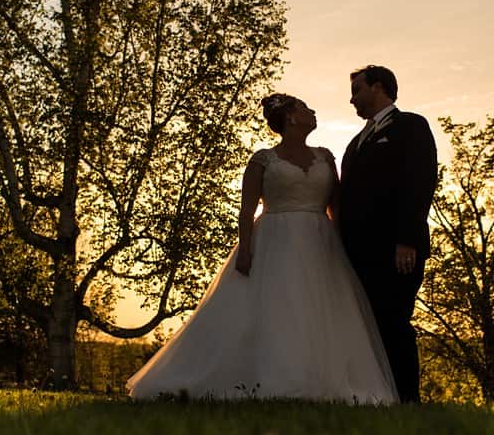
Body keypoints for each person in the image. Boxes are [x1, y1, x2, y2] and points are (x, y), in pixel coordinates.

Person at [126, 93, 398, 404]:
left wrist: (340, 244)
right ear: (292, 118)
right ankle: (265, 378)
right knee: (278, 307)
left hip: (320, 241)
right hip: (275, 240)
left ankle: (319, 379)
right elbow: (246, 210)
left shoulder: (325, 157)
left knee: (321, 311)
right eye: (305, 107)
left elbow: (335, 205)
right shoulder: (263, 160)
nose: (313, 111)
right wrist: (245, 249)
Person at [339, 65, 438, 404]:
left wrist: (406, 239)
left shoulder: (410, 126)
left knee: (394, 321)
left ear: (378, 87)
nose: (351, 98)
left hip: (396, 248)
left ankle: (407, 399)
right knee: (368, 326)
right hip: (357, 252)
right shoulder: (354, 144)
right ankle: (375, 396)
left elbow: (419, 182)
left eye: (357, 89)